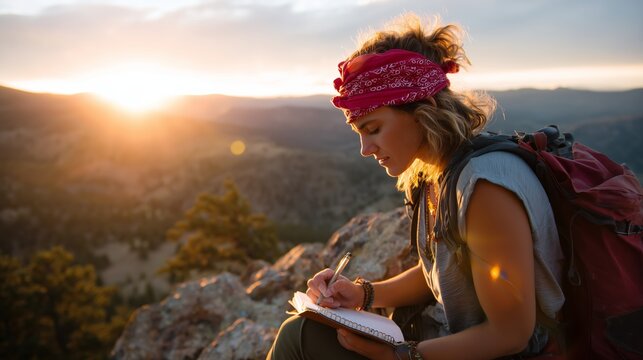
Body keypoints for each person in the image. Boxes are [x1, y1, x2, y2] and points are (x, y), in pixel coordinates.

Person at [267, 13, 564, 360]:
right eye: (359, 133)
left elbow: (511, 334)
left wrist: (401, 355)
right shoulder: (437, 175)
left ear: (422, 109)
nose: (365, 149)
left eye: (374, 129)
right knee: (302, 330)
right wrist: (364, 294)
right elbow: (444, 272)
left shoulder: (485, 189)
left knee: (298, 339)